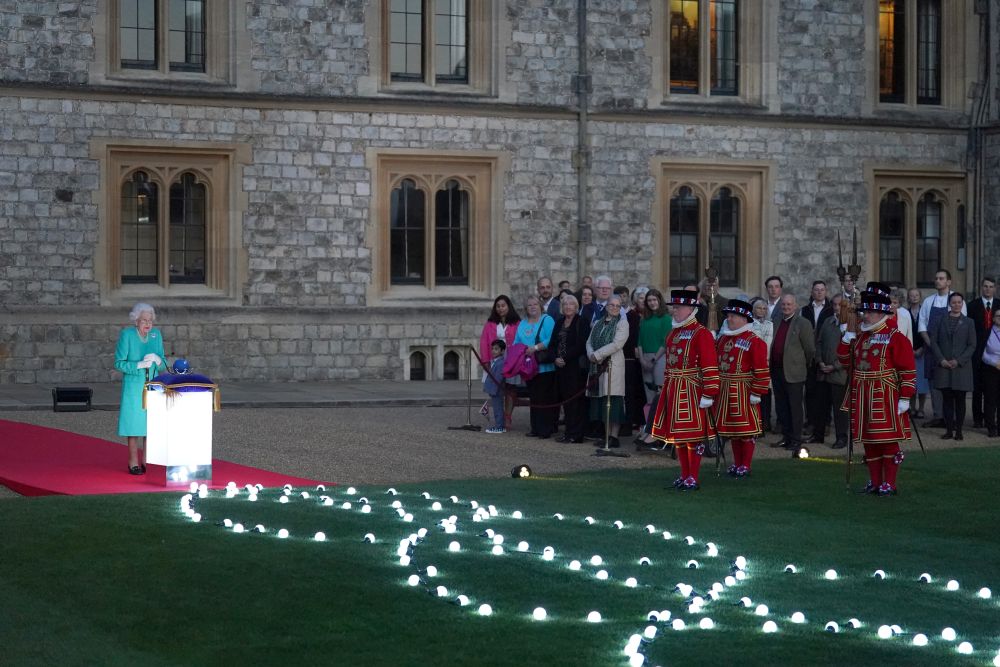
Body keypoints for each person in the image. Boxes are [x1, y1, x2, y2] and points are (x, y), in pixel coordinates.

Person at [837, 292, 916, 496]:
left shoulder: (895, 337)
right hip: (862, 393)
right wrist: (847, 338)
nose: (866, 316)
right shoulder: (861, 335)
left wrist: (905, 397)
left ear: (882, 314)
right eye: (866, 311)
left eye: (871, 312)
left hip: (885, 395)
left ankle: (889, 483)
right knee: (869, 440)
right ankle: (874, 481)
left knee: (887, 440)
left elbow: (907, 369)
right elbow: (846, 362)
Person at [650, 289, 720, 491]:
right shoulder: (673, 332)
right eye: (674, 307)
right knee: (679, 437)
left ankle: (693, 476)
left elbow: (709, 365)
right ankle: (684, 474)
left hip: (692, 390)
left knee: (693, 436)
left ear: (691, 309)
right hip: (674, 388)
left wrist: (709, 393)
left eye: (679, 308)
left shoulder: (701, 333)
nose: (675, 311)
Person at [713, 300, 769, 478]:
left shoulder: (755, 341)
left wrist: (756, 392)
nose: (729, 319)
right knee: (733, 431)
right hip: (725, 390)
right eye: (728, 316)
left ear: (744, 319)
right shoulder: (722, 339)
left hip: (744, 391)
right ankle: (737, 464)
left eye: (732, 316)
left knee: (745, 430)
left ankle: (745, 464)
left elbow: (761, 369)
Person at [114, 302, 168, 475]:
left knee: (150, 426)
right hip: (134, 387)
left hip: (153, 386)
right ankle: (133, 462)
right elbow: (118, 363)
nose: (148, 324)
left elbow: (163, 363)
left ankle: (147, 460)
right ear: (136, 320)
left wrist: (158, 360)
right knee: (134, 426)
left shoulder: (156, 335)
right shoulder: (127, 335)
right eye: (144, 320)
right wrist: (138, 364)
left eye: (150, 321)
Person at [917, 269, 966, 428]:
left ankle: (950, 418)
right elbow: (922, 325)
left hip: (951, 350)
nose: (938, 281)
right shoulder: (928, 301)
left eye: (942, 278)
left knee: (951, 384)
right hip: (932, 349)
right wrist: (931, 344)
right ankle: (938, 416)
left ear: (949, 282)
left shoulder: (957, 301)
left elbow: (962, 325)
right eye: (936, 278)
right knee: (934, 383)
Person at [769, 294, 815, 452]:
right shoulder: (775, 321)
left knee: (795, 408)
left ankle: (796, 440)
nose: (786, 307)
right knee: (782, 407)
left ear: (795, 306)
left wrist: (803, 364)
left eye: (789, 304)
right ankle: (786, 437)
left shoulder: (803, 323)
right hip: (776, 370)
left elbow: (809, 349)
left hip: (794, 372)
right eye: (783, 304)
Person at [929, 292, 976, 440]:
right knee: (947, 400)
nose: (956, 305)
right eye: (954, 302)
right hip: (944, 367)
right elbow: (934, 341)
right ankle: (949, 430)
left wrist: (959, 360)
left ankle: (959, 431)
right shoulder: (940, 320)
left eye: (959, 302)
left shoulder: (969, 322)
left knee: (960, 400)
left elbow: (972, 345)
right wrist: (941, 359)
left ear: (962, 304)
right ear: (949, 304)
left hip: (961, 368)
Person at [586, 294, 630, 447]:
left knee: (614, 401)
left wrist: (597, 355)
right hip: (597, 367)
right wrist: (591, 354)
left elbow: (617, 344)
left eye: (618, 306)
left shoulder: (622, 324)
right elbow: (589, 341)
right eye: (612, 305)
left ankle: (614, 436)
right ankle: (605, 435)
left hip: (613, 365)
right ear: (606, 306)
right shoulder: (598, 323)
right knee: (603, 401)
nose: (615, 308)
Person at [549, 293, 591, 443]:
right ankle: (568, 432)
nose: (568, 307)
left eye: (571, 304)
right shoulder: (559, 322)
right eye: (565, 304)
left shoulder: (582, 321)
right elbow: (552, 344)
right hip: (560, 368)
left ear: (576, 307)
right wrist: (555, 358)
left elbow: (581, 344)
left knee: (576, 401)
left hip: (575, 368)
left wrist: (564, 358)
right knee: (566, 400)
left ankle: (576, 434)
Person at [515, 296, 557, 438]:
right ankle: (535, 428)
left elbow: (551, 338)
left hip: (544, 367)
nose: (532, 307)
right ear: (526, 309)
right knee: (534, 398)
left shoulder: (547, 320)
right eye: (529, 305)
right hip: (529, 367)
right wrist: (522, 350)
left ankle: (546, 429)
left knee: (544, 398)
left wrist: (535, 347)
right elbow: (516, 342)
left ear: (540, 306)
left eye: (535, 304)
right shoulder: (522, 323)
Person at [478, 295, 521, 426]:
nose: (500, 308)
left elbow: (520, 341)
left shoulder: (517, 323)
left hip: (511, 361)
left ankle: (507, 416)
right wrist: (485, 361)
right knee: (496, 389)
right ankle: (499, 418)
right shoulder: (490, 324)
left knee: (510, 389)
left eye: (503, 306)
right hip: (494, 361)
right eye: (498, 306)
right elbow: (484, 342)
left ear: (508, 306)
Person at [802, 280, 835, 443]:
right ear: (812, 291)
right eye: (816, 290)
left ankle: (826, 422)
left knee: (825, 392)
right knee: (810, 390)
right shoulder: (805, 310)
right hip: (810, 354)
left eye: (822, 290)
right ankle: (810, 421)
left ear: (825, 291)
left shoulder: (830, 310)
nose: (819, 292)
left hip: (824, 353)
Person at [815, 301, 849, 449]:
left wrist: (834, 366)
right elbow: (819, 343)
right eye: (835, 305)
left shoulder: (851, 326)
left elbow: (851, 351)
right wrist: (820, 361)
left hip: (840, 374)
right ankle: (818, 435)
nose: (837, 308)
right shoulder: (828, 321)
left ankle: (841, 437)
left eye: (841, 305)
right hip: (823, 372)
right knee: (821, 406)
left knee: (839, 409)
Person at [966, 277, 999, 429]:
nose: (988, 289)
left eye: (991, 286)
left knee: (994, 390)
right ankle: (978, 419)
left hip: (995, 353)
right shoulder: (972, 306)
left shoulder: (999, 305)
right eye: (985, 286)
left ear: (995, 288)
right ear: (981, 288)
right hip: (977, 352)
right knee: (977, 387)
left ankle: (992, 420)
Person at [638, 289, 672, 404]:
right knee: (649, 394)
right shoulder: (644, 319)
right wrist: (642, 360)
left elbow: (665, 342)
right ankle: (650, 421)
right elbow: (640, 341)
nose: (652, 303)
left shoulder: (666, 318)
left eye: (654, 300)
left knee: (659, 391)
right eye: (649, 300)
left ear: (659, 300)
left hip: (659, 358)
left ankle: (661, 420)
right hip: (645, 357)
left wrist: (653, 359)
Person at [750, 297, 775, 432]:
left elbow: (769, 343)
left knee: (766, 394)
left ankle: (765, 423)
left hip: (766, 363)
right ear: (753, 309)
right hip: (752, 364)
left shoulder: (770, 324)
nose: (762, 310)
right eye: (759, 308)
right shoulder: (749, 324)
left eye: (765, 308)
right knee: (754, 394)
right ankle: (755, 423)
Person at [907, 287, 929, 418]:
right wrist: (910, 349)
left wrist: (923, 348)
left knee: (922, 382)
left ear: (920, 297)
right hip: (909, 351)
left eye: (916, 295)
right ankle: (912, 407)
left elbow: (927, 331)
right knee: (911, 382)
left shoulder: (924, 312)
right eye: (911, 295)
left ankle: (921, 408)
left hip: (922, 351)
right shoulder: (905, 313)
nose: (914, 297)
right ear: (908, 298)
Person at [981, 309, 1000, 437]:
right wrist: (994, 363)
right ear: (993, 318)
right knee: (990, 400)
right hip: (991, 370)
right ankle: (991, 427)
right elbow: (982, 353)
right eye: (998, 316)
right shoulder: (987, 333)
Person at [483, 340, 507, 434]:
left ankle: (499, 427)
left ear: (502, 351)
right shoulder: (495, 361)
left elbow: (498, 379)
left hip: (497, 390)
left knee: (498, 409)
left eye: (496, 349)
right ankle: (500, 425)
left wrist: (493, 391)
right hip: (495, 390)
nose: (493, 351)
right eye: (492, 349)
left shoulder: (500, 363)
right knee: (497, 408)